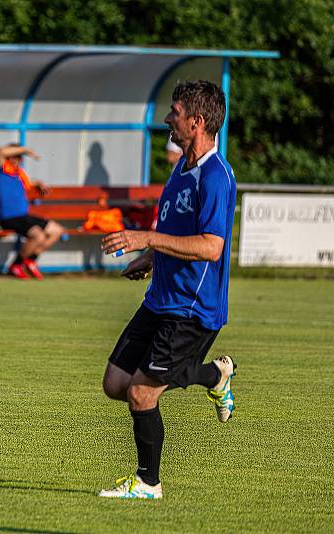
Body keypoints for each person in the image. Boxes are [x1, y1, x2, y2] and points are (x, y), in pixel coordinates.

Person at [97, 80, 237, 499]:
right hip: (160, 299)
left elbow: (211, 247)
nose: (166, 119)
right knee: (115, 383)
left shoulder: (216, 177)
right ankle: (215, 375)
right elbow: (176, 233)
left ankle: (148, 483)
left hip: (192, 310)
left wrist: (146, 239)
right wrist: (150, 259)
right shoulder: (181, 169)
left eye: (173, 112)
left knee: (142, 393)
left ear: (195, 122)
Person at [0, 144, 65, 280]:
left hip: (23, 217)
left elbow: (30, 182)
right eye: (13, 156)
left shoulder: (18, 175)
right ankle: (15, 265)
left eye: (19, 157)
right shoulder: (0, 170)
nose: (16, 160)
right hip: (9, 217)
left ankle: (30, 260)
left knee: (57, 231)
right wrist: (26, 150)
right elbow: (1, 151)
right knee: (38, 235)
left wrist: (39, 183)